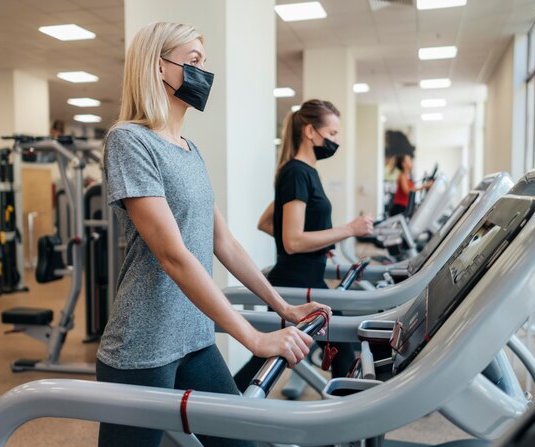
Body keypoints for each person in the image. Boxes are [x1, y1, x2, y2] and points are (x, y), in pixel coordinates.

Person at [97, 22, 326, 447]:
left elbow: (225, 242)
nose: (205, 73)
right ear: (159, 67)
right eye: (194, 61)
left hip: (195, 337)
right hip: (144, 343)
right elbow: (174, 255)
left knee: (239, 441)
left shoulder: (189, 148)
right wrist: (253, 337)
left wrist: (282, 306)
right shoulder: (129, 141)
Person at [233, 99, 374, 390]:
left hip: (304, 276)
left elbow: (268, 223)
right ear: (311, 132)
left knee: (272, 356)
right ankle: (220, 404)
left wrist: (319, 244)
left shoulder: (303, 172)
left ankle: (223, 401)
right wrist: (347, 229)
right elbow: (293, 240)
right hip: (294, 281)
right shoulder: (297, 173)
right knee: (338, 351)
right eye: (332, 134)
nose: (336, 141)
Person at [388, 152, 433, 217]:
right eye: (409, 160)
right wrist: (424, 186)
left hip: (404, 207)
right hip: (399, 208)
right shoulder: (402, 176)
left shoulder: (407, 177)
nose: (411, 161)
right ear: (404, 164)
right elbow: (407, 191)